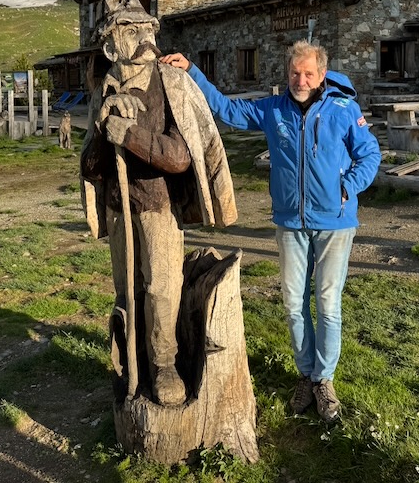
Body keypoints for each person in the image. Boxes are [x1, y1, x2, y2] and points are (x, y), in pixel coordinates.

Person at [160, 41, 381, 422]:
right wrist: (192, 71)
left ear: (322, 74)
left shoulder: (344, 109)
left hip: (335, 223)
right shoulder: (273, 109)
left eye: (308, 73)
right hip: (290, 223)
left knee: (328, 305)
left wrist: (347, 186)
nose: (301, 79)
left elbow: (370, 153)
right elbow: (228, 111)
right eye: (295, 72)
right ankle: (306, 373)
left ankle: (324, 380)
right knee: (295, 305)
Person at [80, 0, 236, 406]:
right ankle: (133, 361)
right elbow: (91, 169)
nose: (146, 36)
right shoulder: (103, 91)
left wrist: (130, 135)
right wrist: (102, 127)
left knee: (162, 289)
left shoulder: (171, 84)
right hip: (119, 210)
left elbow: (182, 156)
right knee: (126, 290)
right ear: (112, 43)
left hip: (157, 207)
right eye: (132, 30)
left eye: (148, 28)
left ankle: (164, 364)